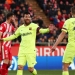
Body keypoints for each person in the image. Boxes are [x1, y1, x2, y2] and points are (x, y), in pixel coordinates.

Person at [51, 6, 75, 75]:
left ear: (71, 13)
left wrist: (55, 45)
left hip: (72, 45)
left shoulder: (68, 21)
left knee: (65, 66)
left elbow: (63, 33)